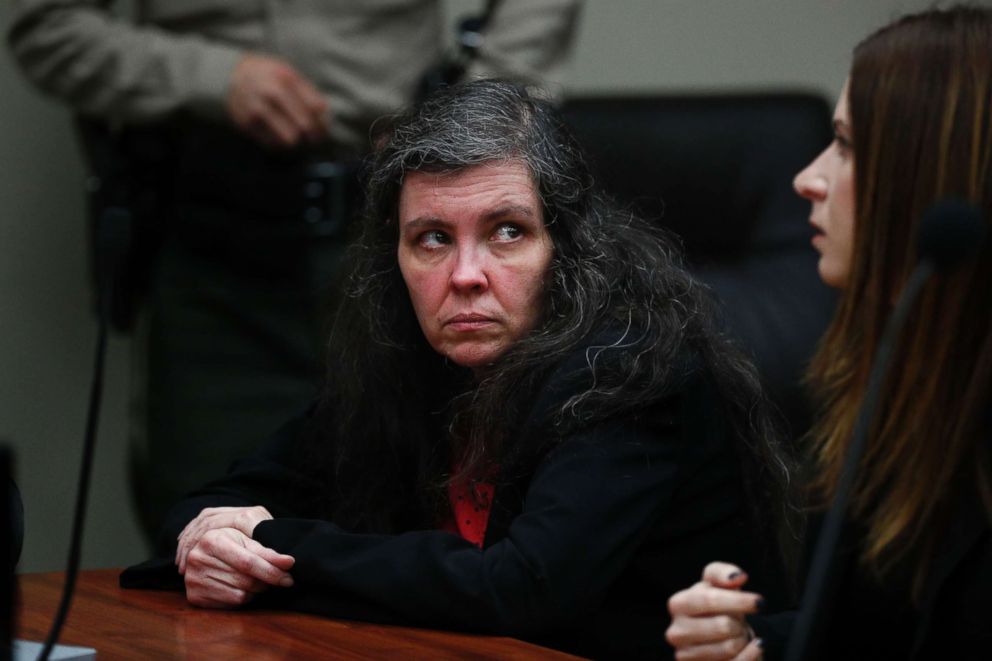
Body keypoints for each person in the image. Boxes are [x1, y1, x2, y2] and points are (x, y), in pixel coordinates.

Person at [121, 80, 796, 659]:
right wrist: (206, 539)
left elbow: (521, 588)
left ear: (566, 250)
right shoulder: (408, 363)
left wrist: (268, 549)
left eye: (506, 231)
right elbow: (215, 499)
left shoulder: (629, 369)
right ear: (397, 260)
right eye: (433, 239)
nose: (466, 276)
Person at [6, 0, 581, 539]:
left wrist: (473, 118)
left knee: (426, 518)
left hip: (388, 227)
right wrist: (211, 76)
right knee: (201, 521)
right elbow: (49, 25)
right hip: (215, 246)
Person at [665, 6, 992, 660]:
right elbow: (860, 634)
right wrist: (749, 643)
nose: (806, 178)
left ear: (930, 176)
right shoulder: (887, 375)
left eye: (845, 146)